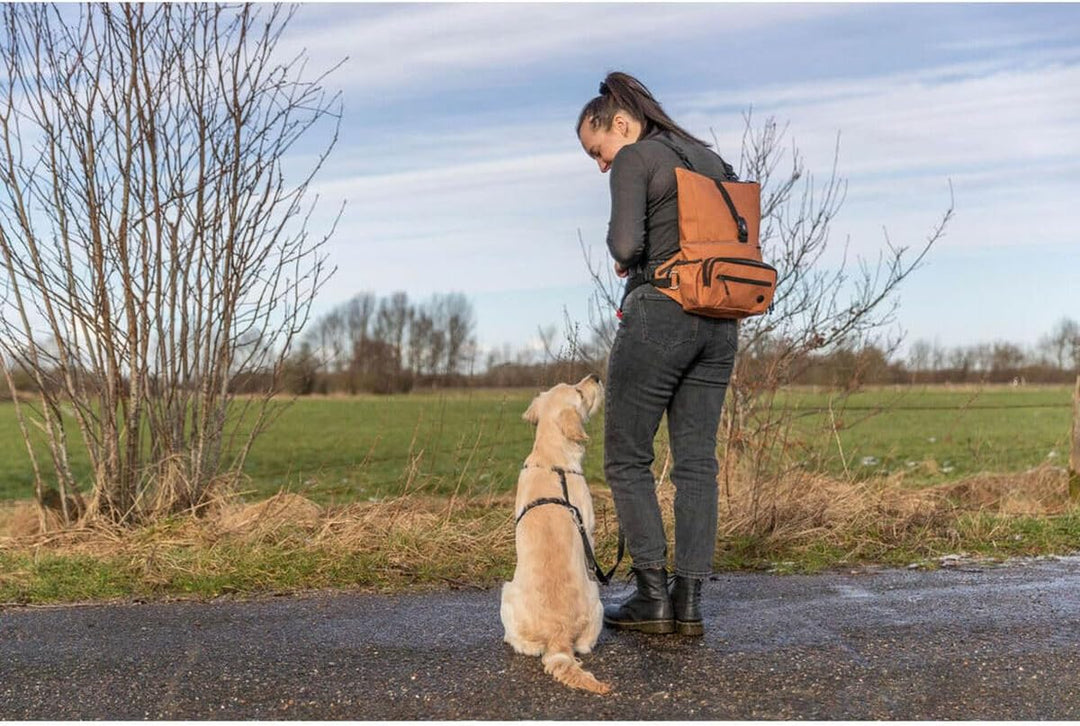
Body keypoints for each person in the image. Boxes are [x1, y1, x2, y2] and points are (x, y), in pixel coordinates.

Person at [576, 71, 739, 637]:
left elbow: (625, 244)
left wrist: (626, 254)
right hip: (720, 323)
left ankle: (651, 597)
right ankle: (688, 601)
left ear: (620, 123)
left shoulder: (637, 158)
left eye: (597, 151)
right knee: (697, 462)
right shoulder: (709, 159)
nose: (601, 165)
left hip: (661, 314)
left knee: (626, 457)